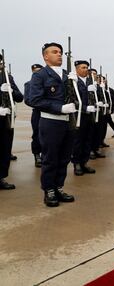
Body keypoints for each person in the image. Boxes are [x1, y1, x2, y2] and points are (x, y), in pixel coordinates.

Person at [29, 42, 76, 207]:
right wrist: (59, 107)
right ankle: (49, 190)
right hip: (51, 122)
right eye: (54, 52)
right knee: (50, 158)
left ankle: (58, 187)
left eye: (60, 52)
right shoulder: (40, 75)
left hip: (68, 123)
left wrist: (77, 86)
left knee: (64, 158)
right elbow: (34, 99)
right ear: (45, 56)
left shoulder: (68, 75)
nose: (59, 54)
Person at [0, 54, 24, 190]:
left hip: (6, 119)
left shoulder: (8, 77)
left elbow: (20, 97)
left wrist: (11, 90)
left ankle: (1, 177)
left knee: (4, 148)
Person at [71, 60, 96, 176]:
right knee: (78, 141)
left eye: (86, 67)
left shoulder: (90, 82)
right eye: (83, 67)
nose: (85, 69)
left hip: (89, 116)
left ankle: (84, 162)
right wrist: (85, 108)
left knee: (88, 139)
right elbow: (72, 100)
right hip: (78, 115)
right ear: (76, 69)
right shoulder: (73, 82)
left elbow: (94, 98)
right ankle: (76, 163)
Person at [24, 64, 43, 168]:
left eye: (39, 71)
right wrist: (41, 104)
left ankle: (45, 155)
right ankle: (37, 155)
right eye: (35, 71)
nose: (37, 73)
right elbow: (27, 100)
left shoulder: (46, 83)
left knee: (48, 135)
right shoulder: (29, 84)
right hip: (37, 112)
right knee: (36, 134)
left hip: (48, 112)